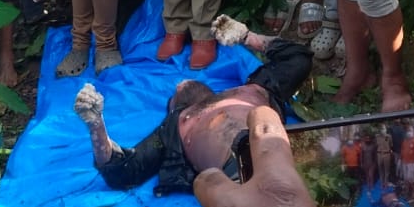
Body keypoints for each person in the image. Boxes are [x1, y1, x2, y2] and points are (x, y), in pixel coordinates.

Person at [74, 14, 311, 191]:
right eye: (175, 97)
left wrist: (248, 37)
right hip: (238, 177)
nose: (180, 84)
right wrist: (96, 125)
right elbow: (124, 171)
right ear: (176, 107)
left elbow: (298, 59)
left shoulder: (251, 89)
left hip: (277, 156)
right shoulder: (175, 126)